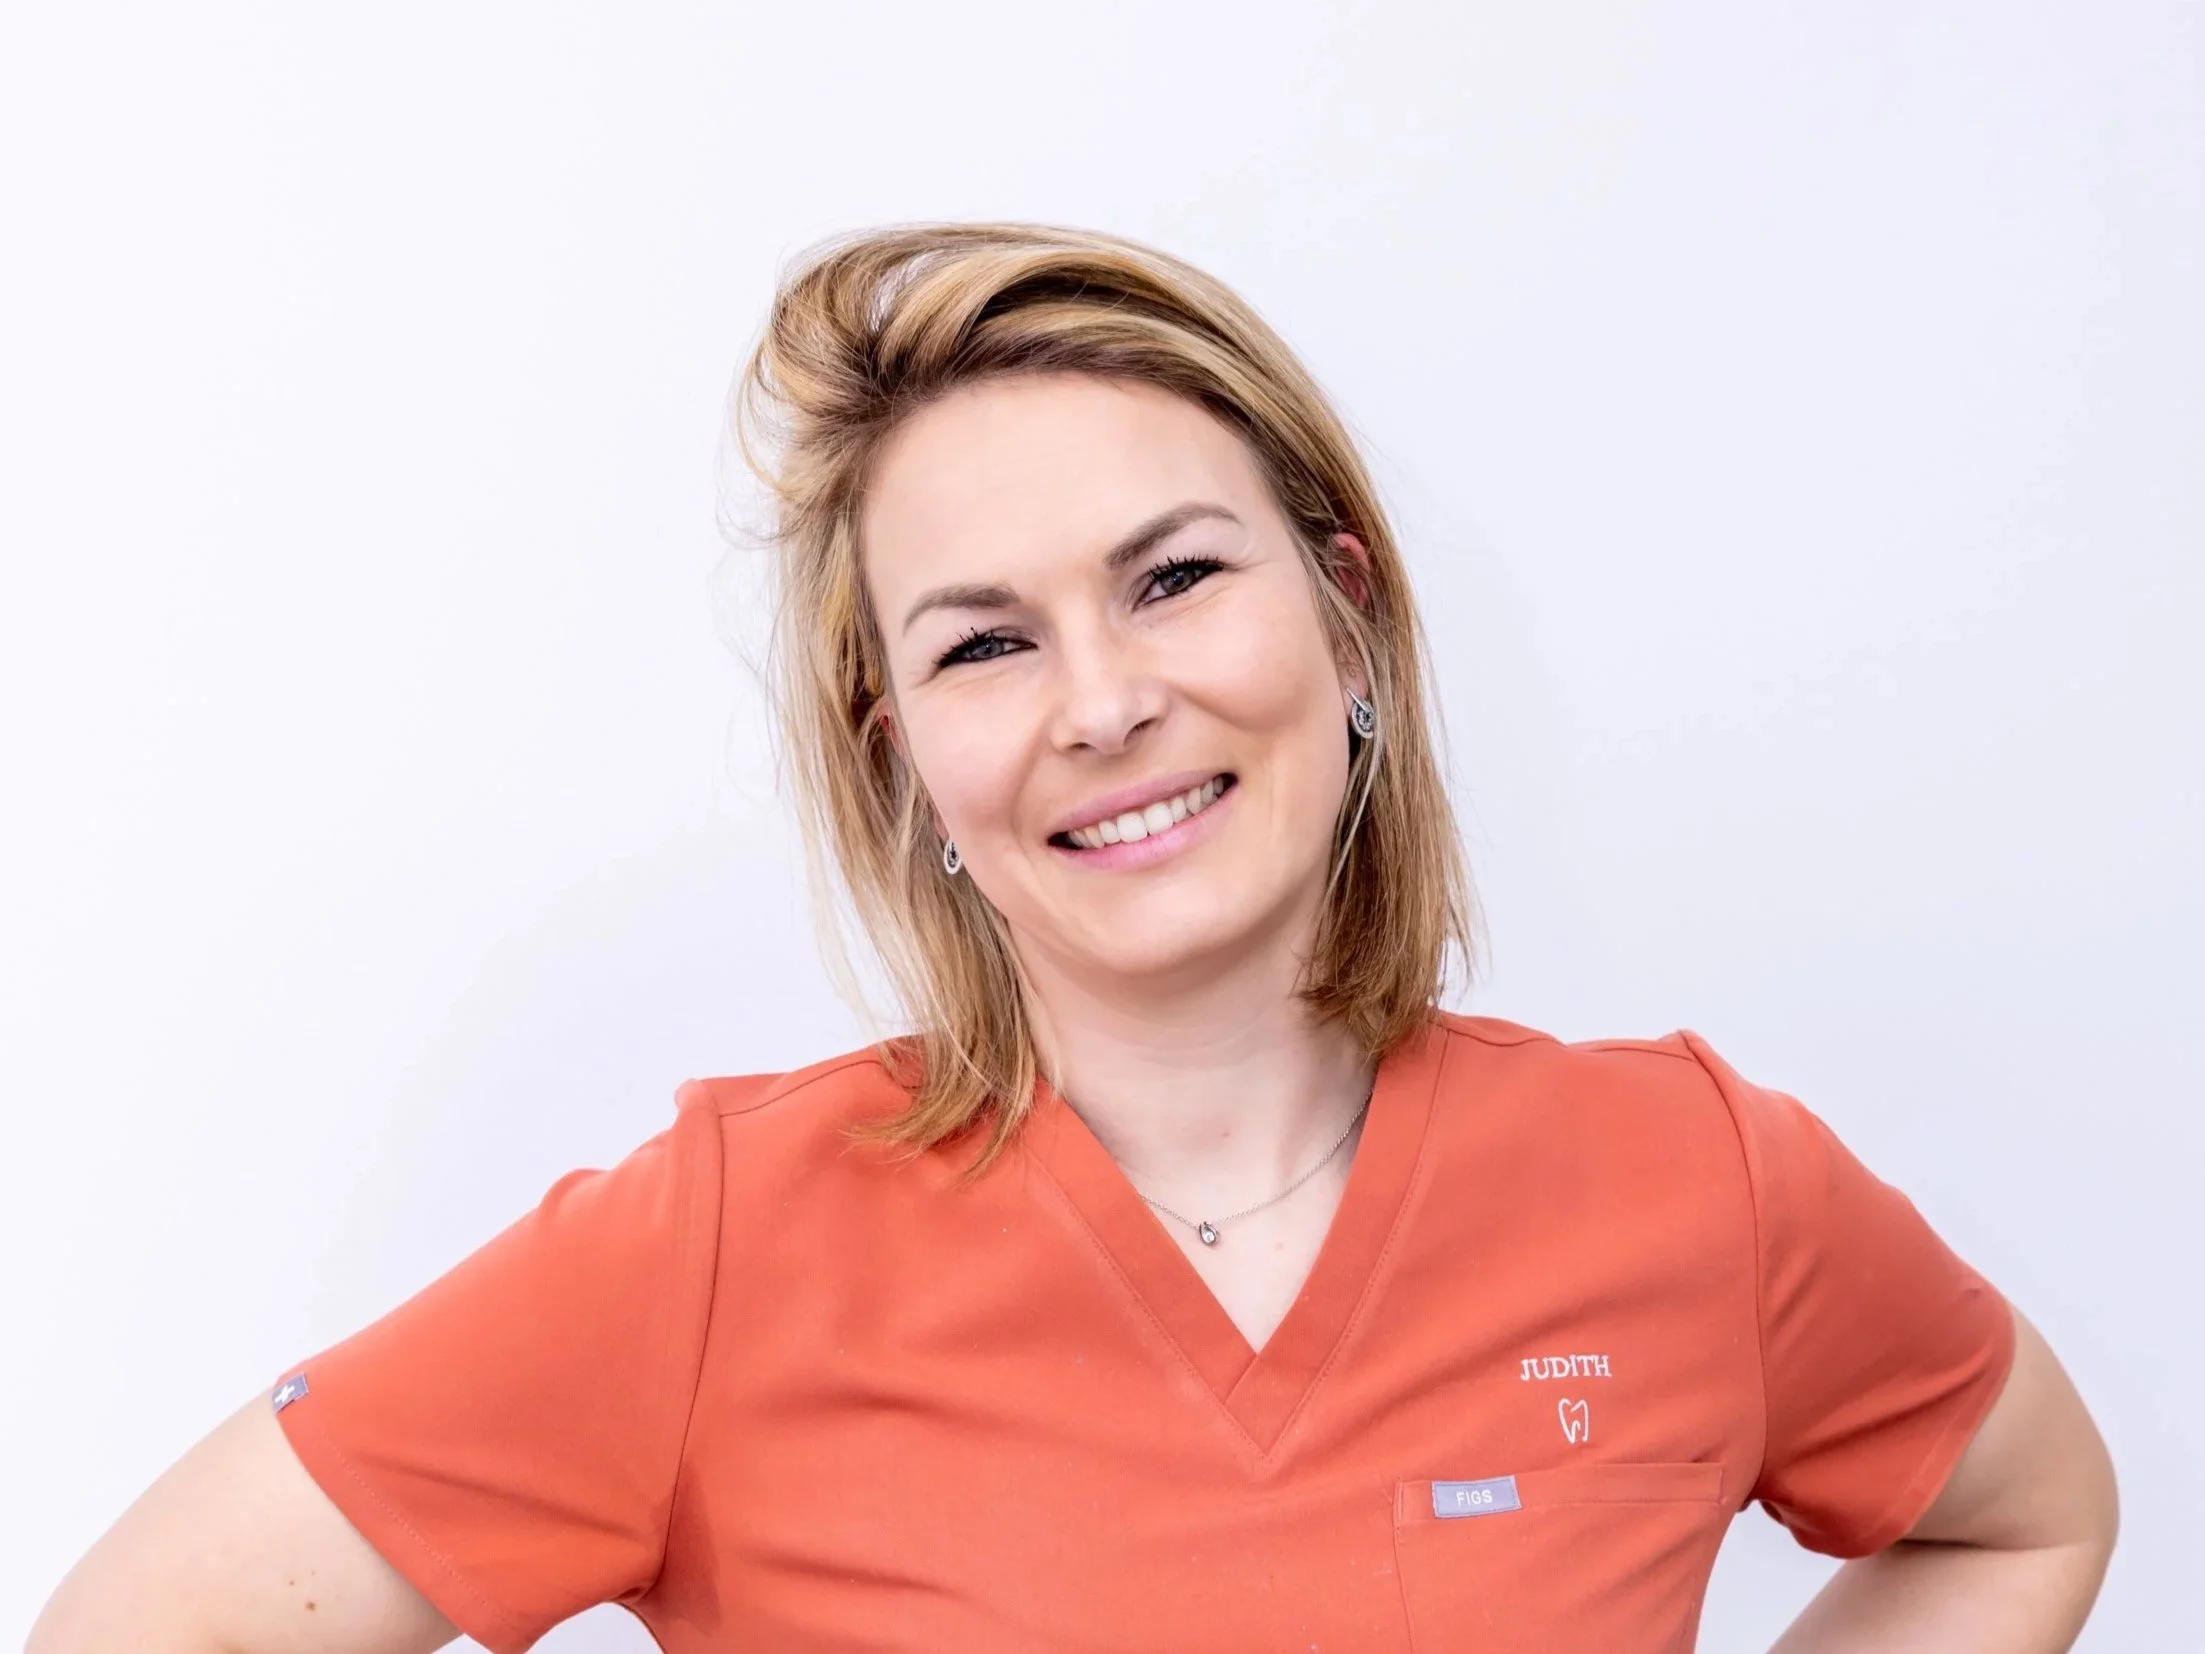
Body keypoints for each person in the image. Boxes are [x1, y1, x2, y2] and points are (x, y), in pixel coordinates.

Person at [30, 223, 2116, 1653]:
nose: (1103, 700)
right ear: (909, 759)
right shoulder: (718, 1248)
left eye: (1173, 576)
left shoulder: (1696, 1183)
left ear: (1349, 617)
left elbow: (2023, 1513)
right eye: (986, 642)